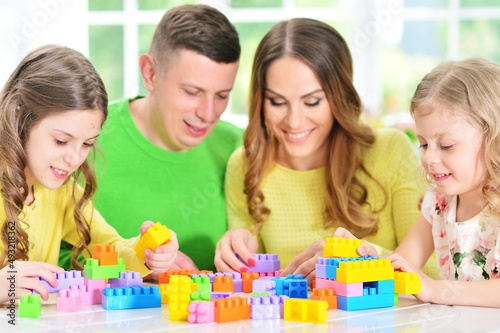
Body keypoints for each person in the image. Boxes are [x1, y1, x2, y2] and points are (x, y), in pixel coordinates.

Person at [214, 18, 438, 280]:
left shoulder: (390, 151)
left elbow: (435, 273)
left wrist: (354, 260)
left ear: (338, 96)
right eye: (277, 102)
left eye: (312, 101)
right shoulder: (245, 165)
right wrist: (238, 251)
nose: (294, 121)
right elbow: (259, 283)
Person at [58, 5, 242, 272]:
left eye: (222, 95)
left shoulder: (241, 148)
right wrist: (135, 266)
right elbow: (46, 258)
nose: (208, 113)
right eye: (192, 92)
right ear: (150, 73)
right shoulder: (83, 141)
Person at [0, 45, 178, 303]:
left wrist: (147, 252)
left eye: (86, 144)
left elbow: (109, 249)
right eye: (61, 141)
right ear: (20, 119)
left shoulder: (61, 191)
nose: (74, 159)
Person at [351, 58, 500, 307]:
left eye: (446, 145)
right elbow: (403, 265)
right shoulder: (439, 202)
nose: (429, 158)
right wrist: (361, 258)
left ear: (494, 138)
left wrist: (436, 290)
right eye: (423, 144)